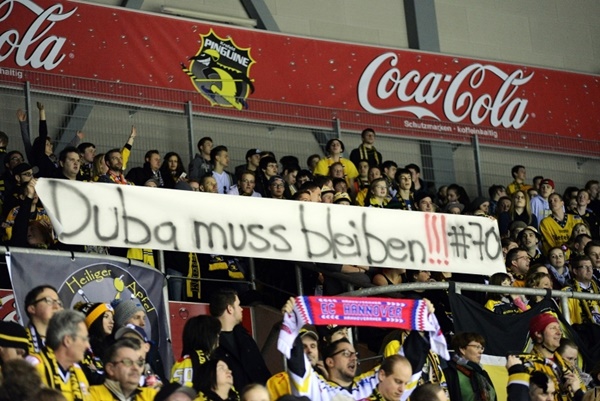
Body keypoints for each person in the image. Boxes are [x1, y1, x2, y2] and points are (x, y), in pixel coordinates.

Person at [210, 289, 271, 389]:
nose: (241, 309)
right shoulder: (210, 342)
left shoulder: (245, 336)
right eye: (238, 305)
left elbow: (261, 370)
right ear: (230, 309)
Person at [518, 313, 586, 401]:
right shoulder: (528, 365)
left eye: (559, 328)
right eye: (553, 328)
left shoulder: (567, 365)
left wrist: (577, 391)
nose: (559, 333)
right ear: (538, 334)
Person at [25, 309, 91, 401]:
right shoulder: (34, 365)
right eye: (84, 339)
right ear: (68, 340)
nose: (88, 346)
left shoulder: (78, 371)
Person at [88, 339, 157, 400]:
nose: (136, 368)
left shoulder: (151, 396)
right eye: (128, 362)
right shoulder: (92, 395)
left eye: (139, 363)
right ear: (110, 369)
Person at [171, 315, 222, 391]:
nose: (218, 338)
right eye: (216, 334)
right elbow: (182, 393)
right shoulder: (187, 362)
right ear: (207, 336)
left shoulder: (210, 360)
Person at [443, 332, 497, 401]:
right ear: (462, 349)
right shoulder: (449, 374)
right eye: (477, 347)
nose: (480, 351)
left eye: (481, 348)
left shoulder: (482, 374)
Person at [74, 302, 114, 385]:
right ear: (95, 320)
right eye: (106, 317)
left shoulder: (112, 347)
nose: (112, 321)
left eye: (112, 318)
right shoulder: (84, 347)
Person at [23, 285, 63, 354]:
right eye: (49, 300)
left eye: (59, 303)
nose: (56, 306)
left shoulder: (68, 342)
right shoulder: (21, 341)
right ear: (32, 309)